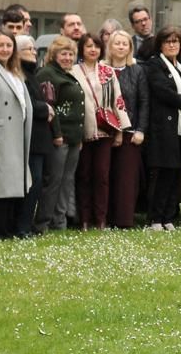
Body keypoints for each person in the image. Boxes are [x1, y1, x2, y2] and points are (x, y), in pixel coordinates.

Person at [143, 26, 181, 231]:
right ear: (160, 44)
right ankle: (155, 218)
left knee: (175, 173)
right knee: (161, 174)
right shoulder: (154, 65)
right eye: (167, 41)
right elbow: (163, 92)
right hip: (162, 127)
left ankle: (168, 216)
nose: (172, 45)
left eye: (175, 41)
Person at [70, 33, 127, 231]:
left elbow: (117, 101)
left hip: (105, 130)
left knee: (102, 175)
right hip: (82, 130)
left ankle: (101, 219)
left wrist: (119, 131)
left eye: (96, 46)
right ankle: (84, 219)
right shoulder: (73, 71)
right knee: (84, 175)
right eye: (88, 46)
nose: (92, 50)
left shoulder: (108, 71)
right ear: (82, 49)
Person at [0, 30, 32, 238]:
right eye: (0, 45)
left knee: (11, 185)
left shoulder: (15, 72)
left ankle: (8, 228)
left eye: (9, 46)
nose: (5, 49)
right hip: (0, 134)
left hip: (16, 133)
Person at [34, 37, 82, 232]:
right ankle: (42, 222)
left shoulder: (68, 74)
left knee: (67, 180)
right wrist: (57, 133)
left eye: (71, 54)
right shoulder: (47, 74)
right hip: (58, 137)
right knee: (53, 181)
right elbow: (49, 107)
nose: (68, 57)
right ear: (54, 55)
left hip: (74, 137)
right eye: (63, 54)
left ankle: (59, 221)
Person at [106, 31, 149, 229]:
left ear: (130, 48)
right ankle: (103, 218)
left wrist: (141, 129)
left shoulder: (137, 70)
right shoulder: (102, 69)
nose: (121, 47)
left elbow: (143, 102)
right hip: (105, 131)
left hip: (131, 133)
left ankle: (123, 220)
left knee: (126, 178)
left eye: (125, 43)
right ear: (110, 47)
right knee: (105, 176)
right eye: (117, 43)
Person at [17, 35, 53, 235]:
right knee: (32, 182)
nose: (33, 52)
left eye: (33, 49)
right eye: (28, 49)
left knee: (37, 182)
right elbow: (27, 102)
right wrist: (45, 108)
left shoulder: (32, 73)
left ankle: (27, 224)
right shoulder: (19, 74)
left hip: (39, 138)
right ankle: (22, 226)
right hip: (29, 138)